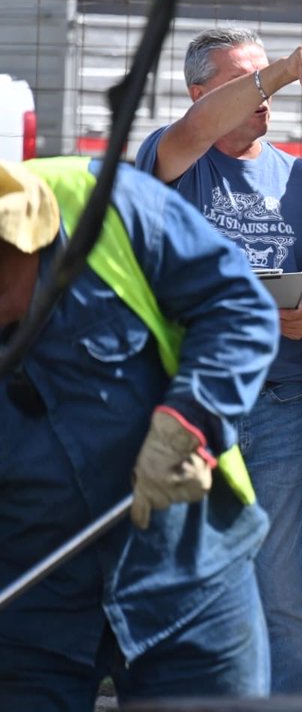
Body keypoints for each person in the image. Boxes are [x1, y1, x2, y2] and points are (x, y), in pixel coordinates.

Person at [0, 156, 279, 708]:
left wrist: (191, 418)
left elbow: (238, 308)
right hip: (32, 615)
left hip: (188, 576)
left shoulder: (110, 205)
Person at [134, 27, 302, 693]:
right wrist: (284, 69)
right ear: (198, 95)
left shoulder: (300, 180)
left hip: (280, 403)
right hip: (189, 405)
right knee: (184, 577)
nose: (265, 98)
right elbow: (194, 133)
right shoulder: (174, 159)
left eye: (266, 83)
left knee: (280, 586)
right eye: (242, 84)